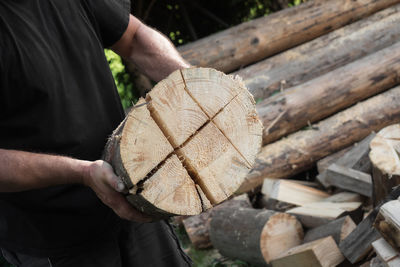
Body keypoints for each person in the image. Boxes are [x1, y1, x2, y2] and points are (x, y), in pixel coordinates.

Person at [0, 0, 193, 266]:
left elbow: (134, 38)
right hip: (54, 239)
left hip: (132, 198)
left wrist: (192, 82)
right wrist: (82, 173)